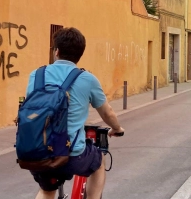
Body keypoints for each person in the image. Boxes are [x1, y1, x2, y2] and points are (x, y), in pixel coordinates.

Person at [25, 27, 125, 199]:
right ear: (80, 55)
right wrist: (117, 128)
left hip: (37, 153)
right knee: (98, 161)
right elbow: (107, 113)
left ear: (56, 51)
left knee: (47, 191)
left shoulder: (36, 75)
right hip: (71, 155)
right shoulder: (87, 79)